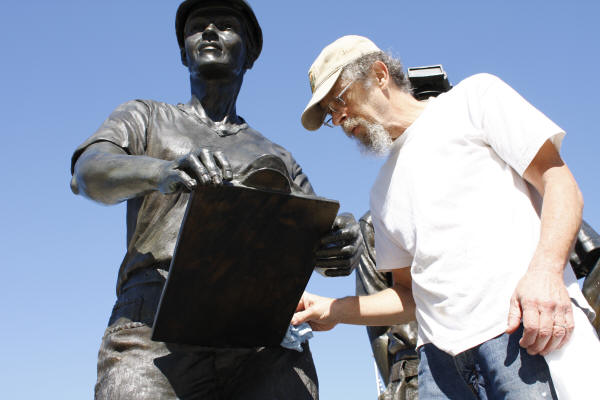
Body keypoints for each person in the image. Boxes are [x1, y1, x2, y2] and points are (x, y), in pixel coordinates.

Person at [70, 2, 361, 399]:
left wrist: (339, 242)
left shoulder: (278, 156)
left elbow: (318, 239)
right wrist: (161, 173)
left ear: (251, 54)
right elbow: (88, 174)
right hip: (153, 326)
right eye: (196, 27)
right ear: (182, 51)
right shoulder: (144, 116)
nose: (208, 32)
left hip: (260, 332)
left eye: (225, 25)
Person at [293, 35, 600, 398]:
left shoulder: (474, 100)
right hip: (439, 367)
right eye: (330, 113)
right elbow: (409, 296)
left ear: (378, 75)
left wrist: (547, 271)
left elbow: (559, 183)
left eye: (340, 100)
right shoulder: (381, 192)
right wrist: (336, 308)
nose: (339, 118)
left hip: (522, 332)